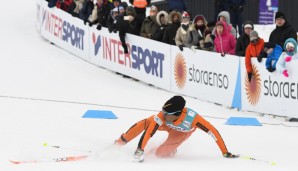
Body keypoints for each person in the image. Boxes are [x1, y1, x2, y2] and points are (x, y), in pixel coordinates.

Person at [114, 95, 238, 162]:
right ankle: (119, 142)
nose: (163, 114)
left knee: (158, 154)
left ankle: (171, 150)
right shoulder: (163, 116)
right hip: (167, 126)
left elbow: (213, 132)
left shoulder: (193, 119)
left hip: (180, 133)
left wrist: (225, 152)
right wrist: (139, 149)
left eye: (167, 113)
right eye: (163, 111)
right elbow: (149, 131)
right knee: (145, 123)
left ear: (177, 113)